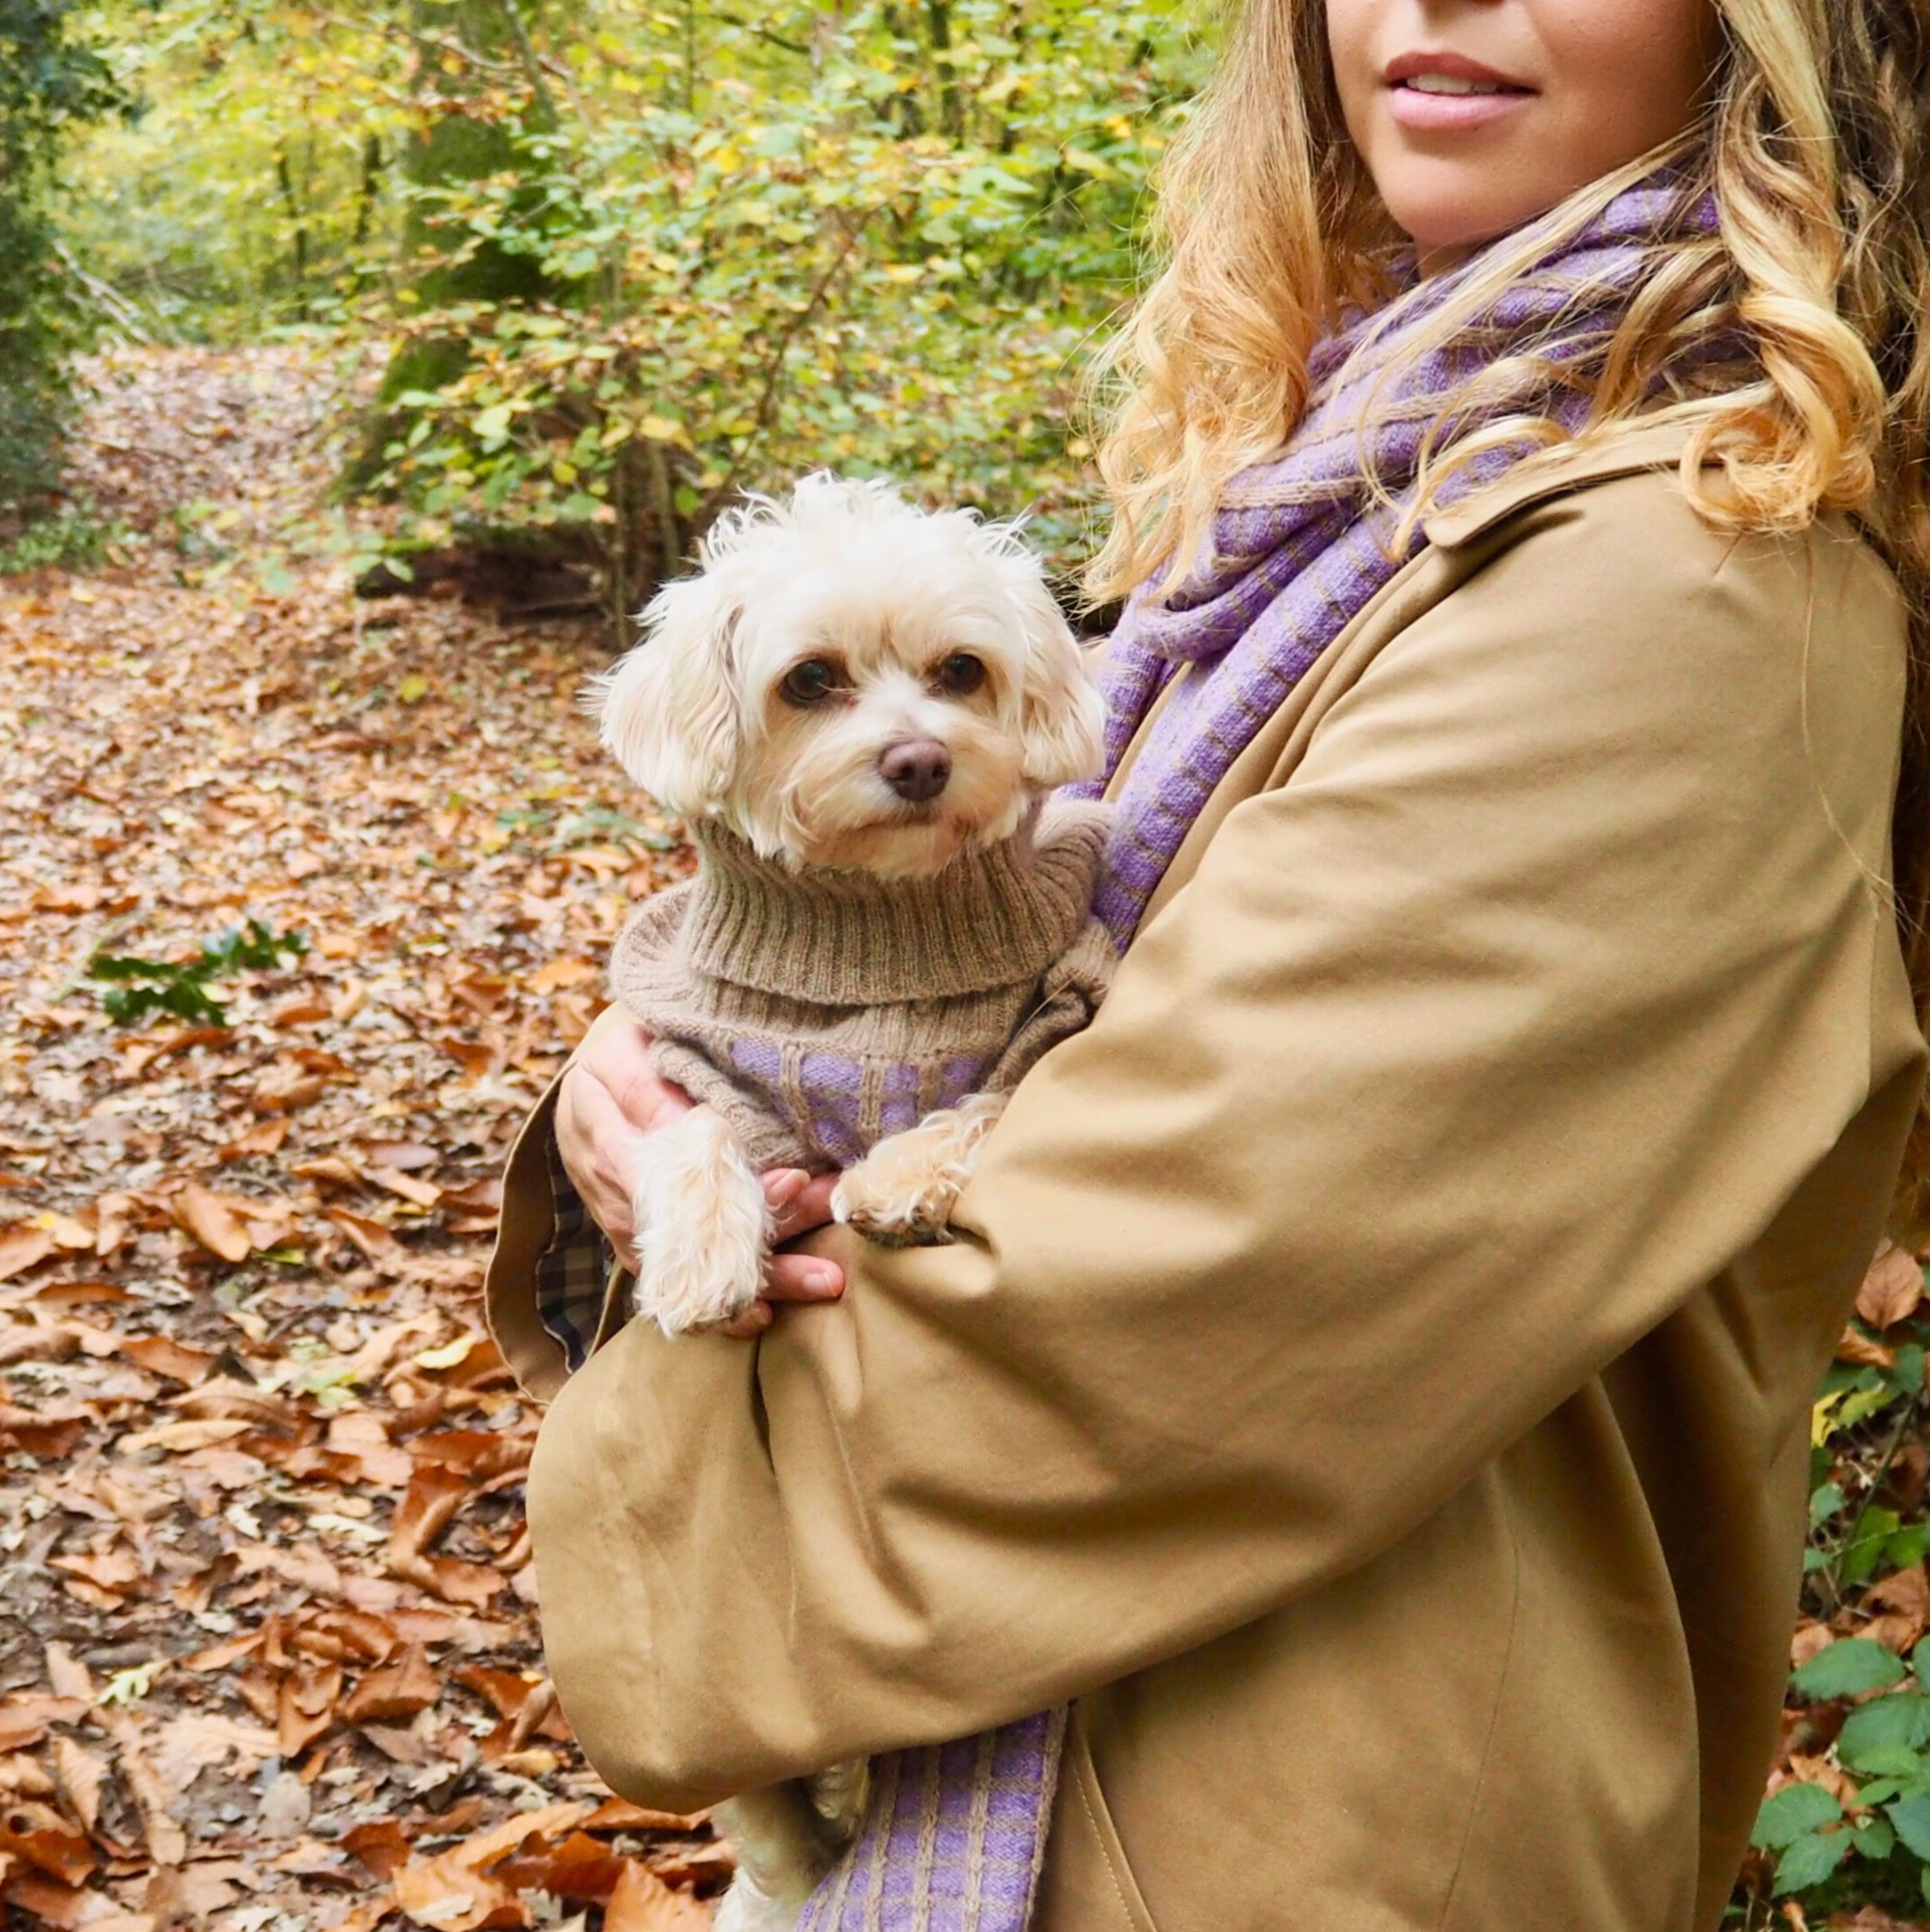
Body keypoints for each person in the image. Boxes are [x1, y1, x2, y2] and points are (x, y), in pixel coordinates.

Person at [484, 1, 1930, 1925]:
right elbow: (1018, 980)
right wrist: (682, 1089)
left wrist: (639, 1476)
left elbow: (1165, 1292)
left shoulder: (1676, 579)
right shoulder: (1362, 480)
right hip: (1117, 1747)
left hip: (1297, 1821)